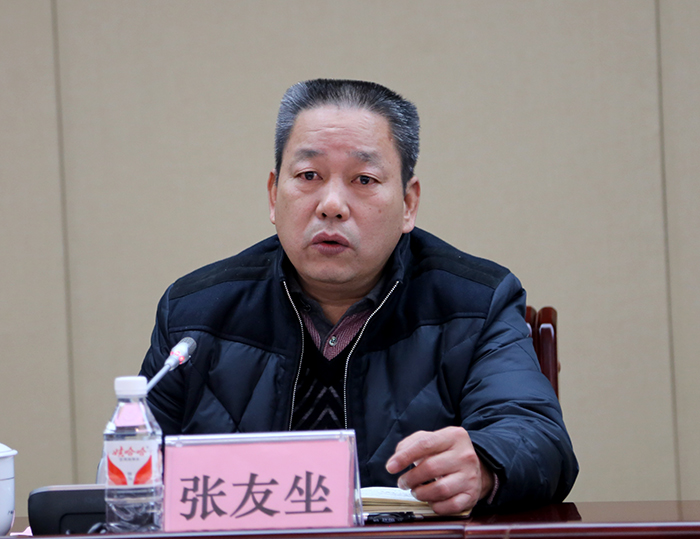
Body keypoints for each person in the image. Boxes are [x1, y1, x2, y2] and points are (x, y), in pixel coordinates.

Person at [140, 79, 578, 514]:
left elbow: (539, 439)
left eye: (364, 179)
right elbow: (135, 474)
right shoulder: (193, 314)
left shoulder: (474, 304)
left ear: (408, 204)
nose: (332, 204)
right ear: (274, 195)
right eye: (308, 176)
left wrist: (483, 464)